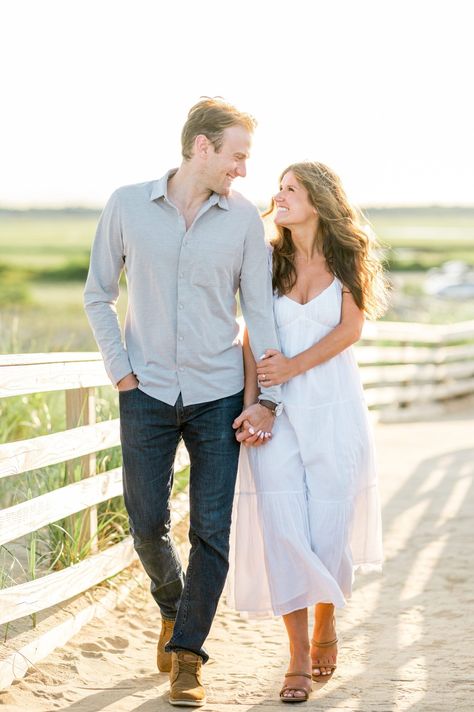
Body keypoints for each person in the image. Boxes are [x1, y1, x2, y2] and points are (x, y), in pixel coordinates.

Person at [84, 98, 282, 707]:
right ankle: (173, 609)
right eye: (237, 155)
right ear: (203, 147)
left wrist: (268, 397)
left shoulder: (245, 220)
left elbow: (259, 312)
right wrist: (121, 372)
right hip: (144, 390)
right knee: (145, 523)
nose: (244, 169)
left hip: (218, 393)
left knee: (212, 531)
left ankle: (189, 655)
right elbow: (97, 294)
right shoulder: (126, 205)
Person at [229, 161, 388, 703]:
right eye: (279, 187)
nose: (279, 196)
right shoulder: (267, 260)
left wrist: (295, 368)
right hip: (276, 416)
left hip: (335, 410)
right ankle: (297, 655)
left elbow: (351, 329)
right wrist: (253, 406)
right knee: (282, 526)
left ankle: (326, 623)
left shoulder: (348, 256)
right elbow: (251, 337)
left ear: (317, 200)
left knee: (328, 525)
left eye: (291, 189)